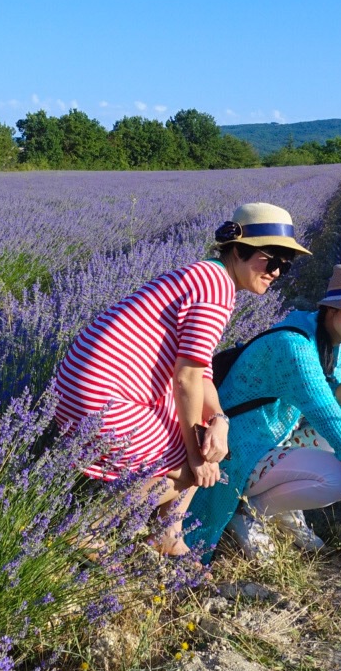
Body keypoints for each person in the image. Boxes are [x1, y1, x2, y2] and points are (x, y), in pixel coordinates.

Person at [53, 202, 311, 557]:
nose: (278, 272)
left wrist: (219, 418)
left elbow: (200, 368)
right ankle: (92, 527)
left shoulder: (208, 276)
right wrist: (195, 456)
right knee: (200, 457)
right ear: (237, 250)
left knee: (208, 432)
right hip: (104, 403)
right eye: (271, 259)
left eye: (286, 264)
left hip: (81, 393)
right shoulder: (216, 290)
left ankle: (168, 532)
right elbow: (187, 377)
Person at [186, 262, 341, 562]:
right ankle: (248, 511)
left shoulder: (329, 338)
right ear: (333, 309)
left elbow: (334, 408)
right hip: (238, 451)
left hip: (274, 437)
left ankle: (275, 508)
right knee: (339, 478)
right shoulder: (296, 347)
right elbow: (333, 428)